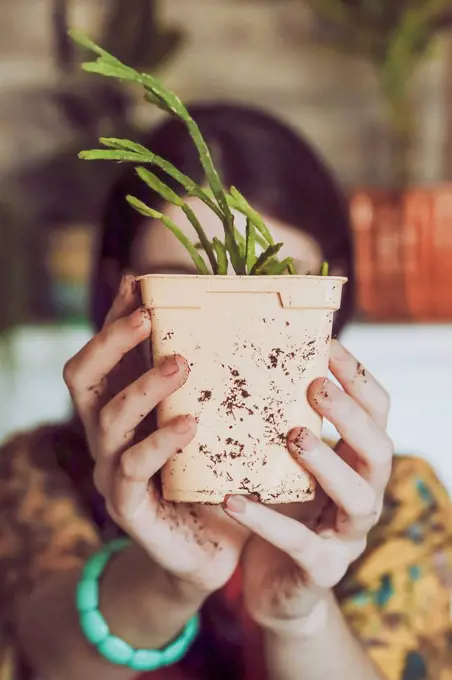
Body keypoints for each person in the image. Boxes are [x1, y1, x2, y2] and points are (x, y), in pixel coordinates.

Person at [0, 102, 450, 680]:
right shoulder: (39, 474)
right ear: (124, 293)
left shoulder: (397, 504)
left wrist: (301, 618)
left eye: (273, 283)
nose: (233, 332)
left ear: (329, 297)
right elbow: (52, 658)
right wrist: (169, 579)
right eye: (188, 288)